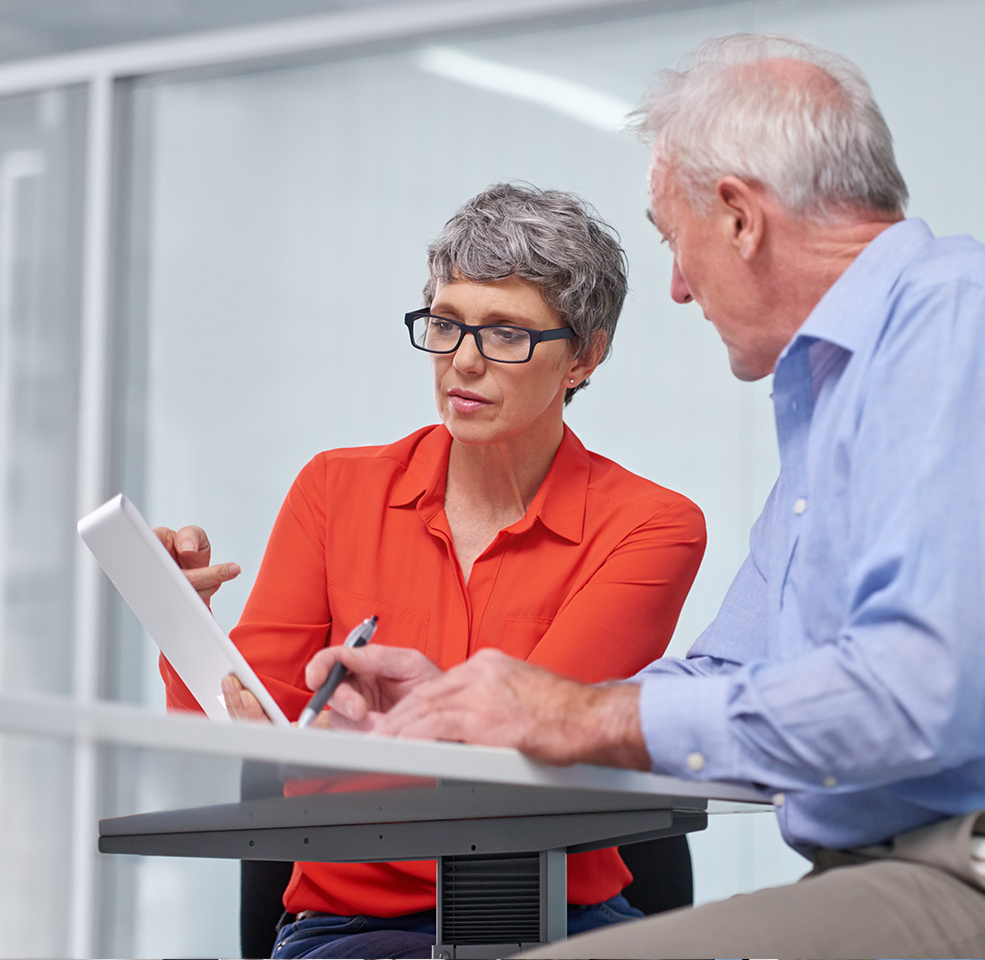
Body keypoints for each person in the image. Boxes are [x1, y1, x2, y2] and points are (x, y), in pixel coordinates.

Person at [304, 34, 985, 959]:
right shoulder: (844, 398)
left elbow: (920, 697)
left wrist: (570, 716)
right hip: (900, 876)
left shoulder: (962, 322)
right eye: (445, 326)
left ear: (740, 218)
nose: (678, 289)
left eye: (675, 244)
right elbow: (728, 673)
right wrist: (482, 704)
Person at [154, 183, 708, 959]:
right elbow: (259, 724)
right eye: (446, 325)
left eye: (506, 333)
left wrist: (337, 757)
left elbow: (522, 738)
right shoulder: (335, 490)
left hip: (562, 921)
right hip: (353, 929)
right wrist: (185, 627)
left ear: (583, 356)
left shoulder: (652, 526)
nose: (464, 363)